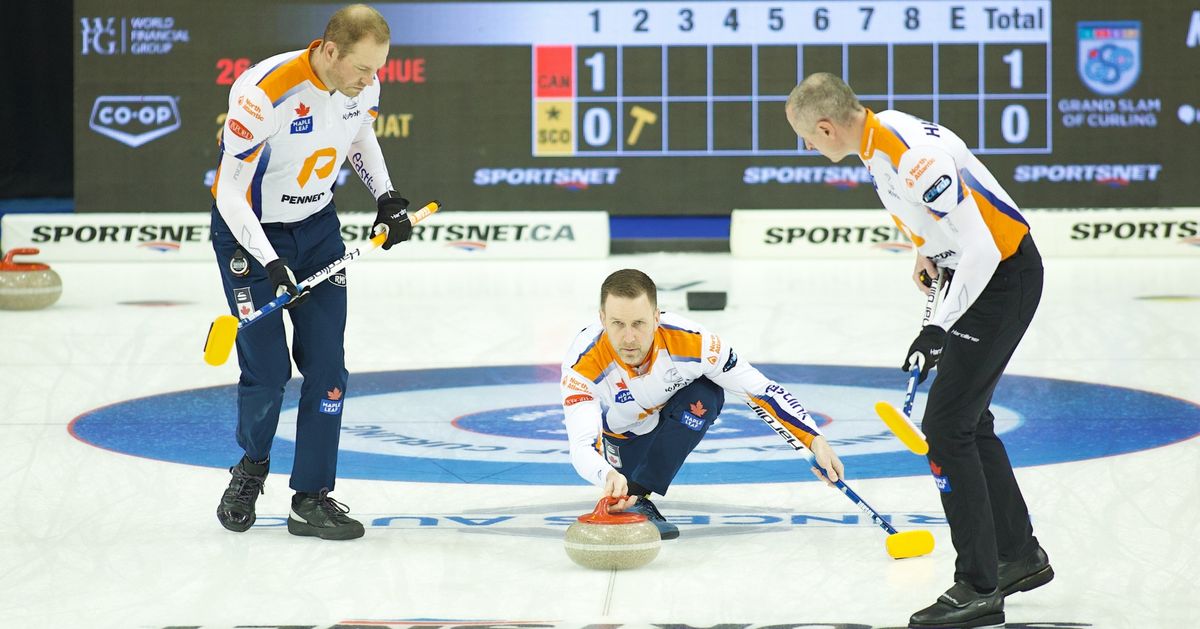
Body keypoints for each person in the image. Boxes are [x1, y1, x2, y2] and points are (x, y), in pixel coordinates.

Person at [785, 72, 1053, 627]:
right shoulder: (877, 142)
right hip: (982, 276)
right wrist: (926, 252)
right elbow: (942, 229)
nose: (808, 148)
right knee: (969, 423)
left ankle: (978, 586)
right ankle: (1018, 556)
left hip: (1001, 278)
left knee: (948, 429)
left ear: (827, 126)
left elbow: (979, 246)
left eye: (807, 138)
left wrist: (939, 329)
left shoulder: (910, 155)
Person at [210, 4, 415, 540]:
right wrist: (271, 262)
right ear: (328, 51)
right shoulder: (263, 95)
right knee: (270, 371)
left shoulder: (362, 85)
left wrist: (386, 198)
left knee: (328, 368)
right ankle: (251, 468)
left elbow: (358, 137)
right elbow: (229, 192)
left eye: (378, 69)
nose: (371, 81)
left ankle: (311, 496)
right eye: (362, 69)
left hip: (318, 230)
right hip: (250, 235)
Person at [560, 269, 846, 540]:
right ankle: (629, 485)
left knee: (706, 394)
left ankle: (639, 494)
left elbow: (760, 390)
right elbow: (582, 445)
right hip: (622, 443)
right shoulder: (583, 362)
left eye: (639, 323)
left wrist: (814, 440)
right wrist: (606, 474)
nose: (629, 337)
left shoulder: (696, 343)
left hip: (667, 426)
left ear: (656, 317)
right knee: (617, 461)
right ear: (602, 318)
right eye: (617, 324)